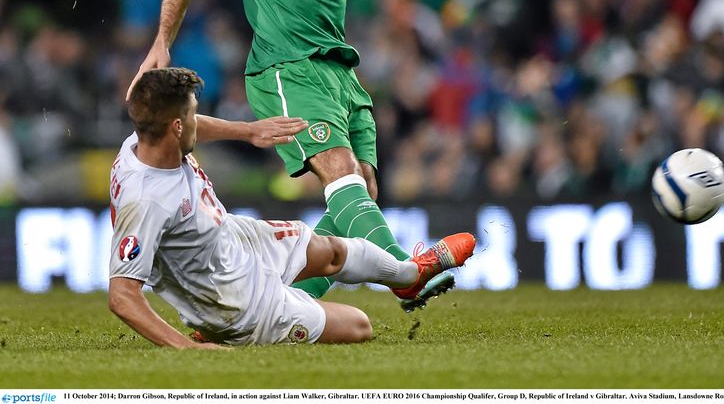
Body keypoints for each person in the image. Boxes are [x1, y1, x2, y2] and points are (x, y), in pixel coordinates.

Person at [126, 0, 564, 310]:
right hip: (286, 67)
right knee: (341, 173)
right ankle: (407, 272)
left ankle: (275, 305)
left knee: (362, 190)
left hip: (340, 72)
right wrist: (162, 41)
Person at [109, 67, 475, 347]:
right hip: (233, 298)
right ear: (175, 126)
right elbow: (122, 297)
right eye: (190, 116)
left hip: (232, 239)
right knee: (359, 326)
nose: (195, 121)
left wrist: (249, 131)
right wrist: (184, 348)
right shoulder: (146, 201)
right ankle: (232, 328)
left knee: (330, 251)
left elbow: (193, 126)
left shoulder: (143, 140)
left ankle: (410, 276)